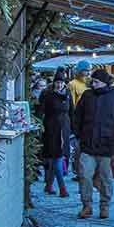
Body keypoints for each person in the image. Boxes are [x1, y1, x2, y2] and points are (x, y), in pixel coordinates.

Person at [72, 67, 114, 219]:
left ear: (104, 82)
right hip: (88, 145)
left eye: (96, 82)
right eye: (92, 81)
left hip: (108, 147)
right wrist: (79, 134)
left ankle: (104, 205)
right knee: (84, 175)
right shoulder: (87, 95)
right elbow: (77, 116)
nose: (93, 84)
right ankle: (86, 205)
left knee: (106, 178)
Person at [39, 69, 72, 197]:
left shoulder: (67, 94)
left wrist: (73, 130)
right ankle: (62, 187)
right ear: (54, 83)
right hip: (51, 129)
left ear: (64, 83)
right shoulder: (48, 95)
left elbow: (71, 111)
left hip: (64, 129)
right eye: (57, 82)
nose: (59, 85)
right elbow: (42, 110)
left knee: (56, 158)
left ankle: (49, 184)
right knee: (56, 157)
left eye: (61, 82)